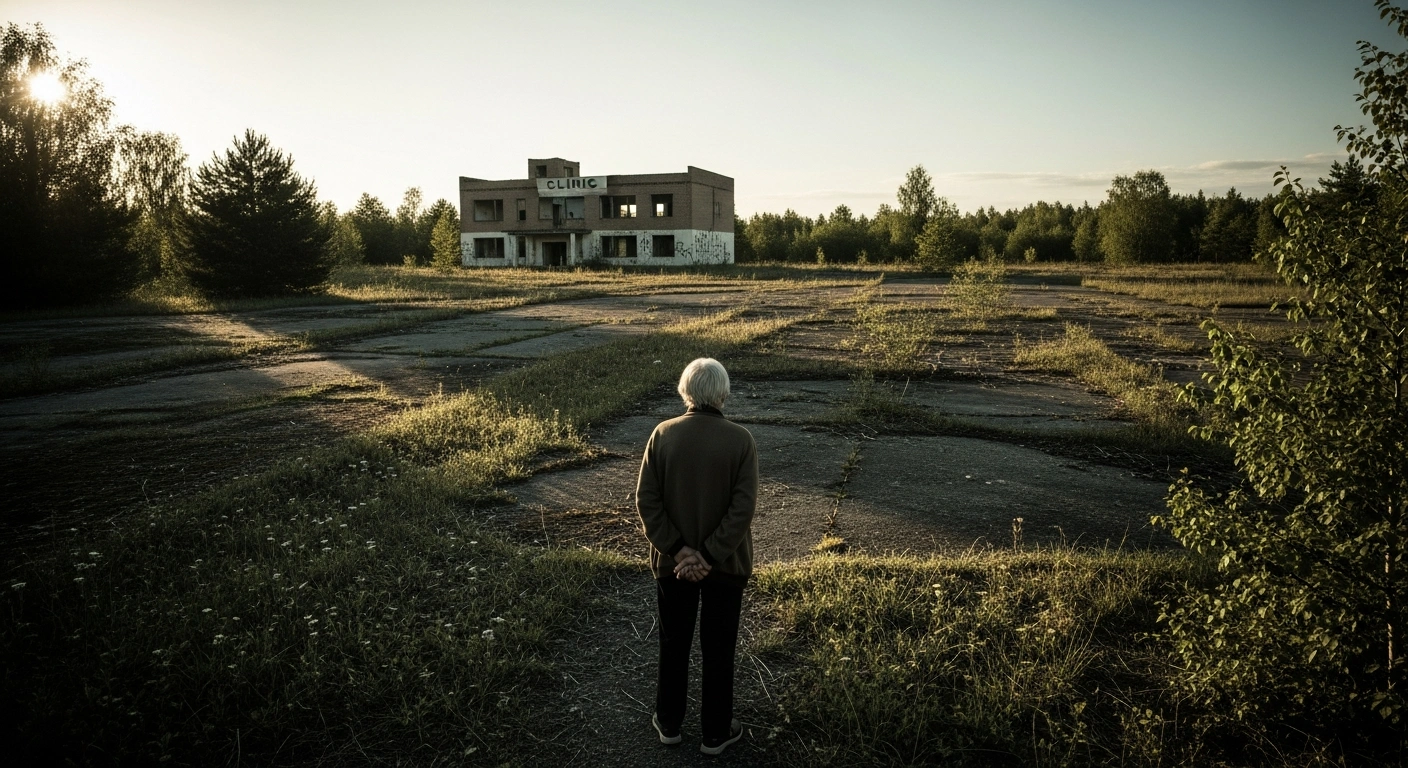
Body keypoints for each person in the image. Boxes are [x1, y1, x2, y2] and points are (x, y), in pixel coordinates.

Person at [635, 357, 758, 756]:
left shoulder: (662, 435)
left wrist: (678, 551)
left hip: (673, 567)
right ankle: (716, 733)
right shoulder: (741, 440)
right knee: (719, 648)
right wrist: (708, 555)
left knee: (674, 644)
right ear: (723, 394)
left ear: (684, 391)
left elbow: (647, 501)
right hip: (725, 567)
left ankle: (669, 723)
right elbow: (743, 509)